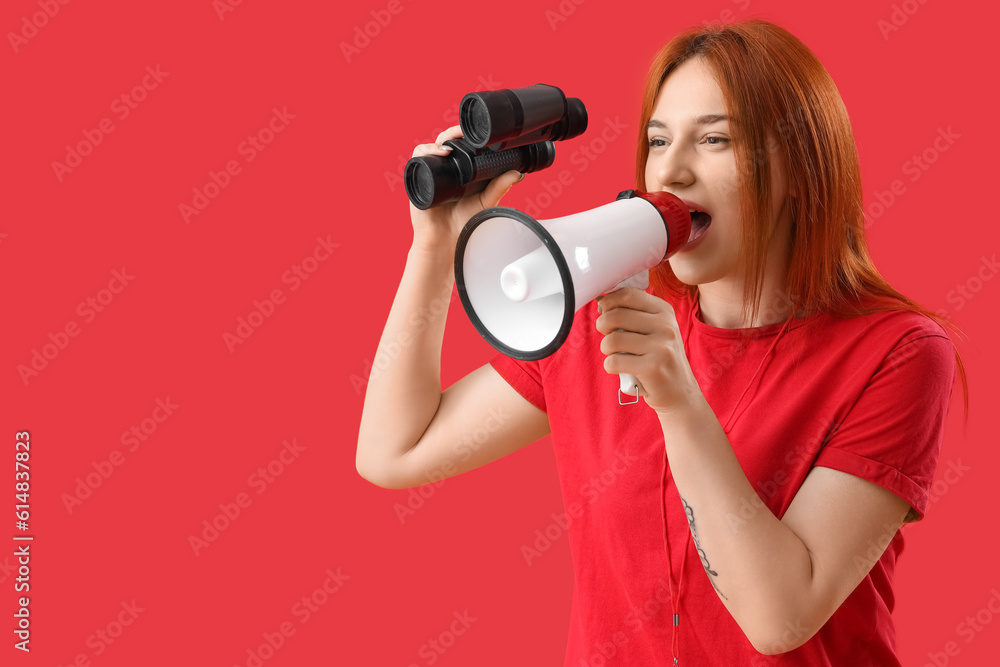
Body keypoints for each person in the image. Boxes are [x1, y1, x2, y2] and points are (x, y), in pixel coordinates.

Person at [356, 18, 965, 666]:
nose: (671, 171)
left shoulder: (897, 353)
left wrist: (678, 399)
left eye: (714, 139)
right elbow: (396, 450)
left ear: (799, 166)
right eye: (657, 140)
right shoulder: (596, 316)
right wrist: (433, 248)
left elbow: (778, 615)